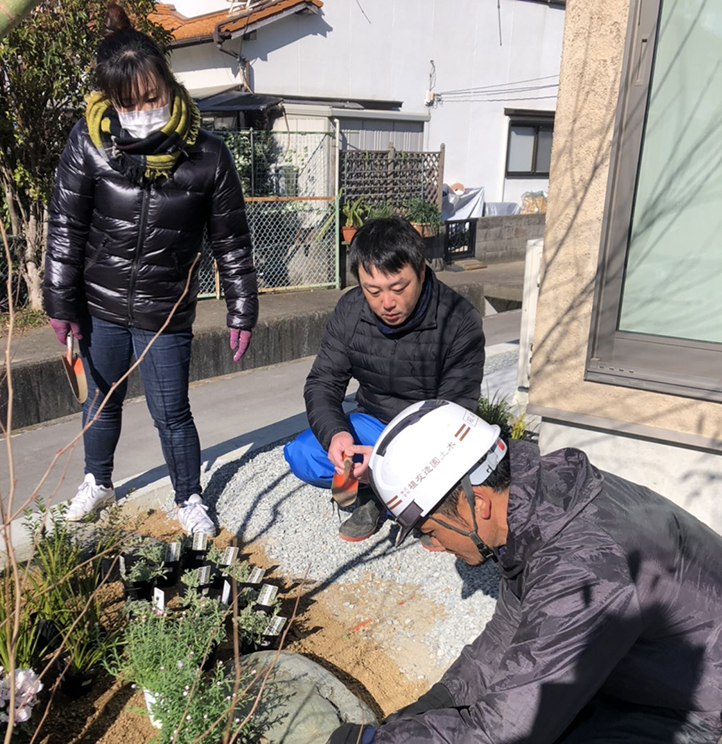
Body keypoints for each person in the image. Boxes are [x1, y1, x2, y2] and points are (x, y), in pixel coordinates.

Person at [327, 399, 722, 744]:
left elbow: (504, 732)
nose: (433, 547)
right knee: (527, 736)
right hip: (658, 667)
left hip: (700, 708)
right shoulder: (540, 507)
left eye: (428, 532)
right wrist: (424, 710)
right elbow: (503, 641)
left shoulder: (581, 565)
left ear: (478, 501)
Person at [44, 3, 258, 534]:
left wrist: (242, 308)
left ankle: (189, 497)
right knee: (100, 403)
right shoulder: (88, 141)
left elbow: (229, 239)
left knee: (171, 412)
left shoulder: (207, 155)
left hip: (164, 311)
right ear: (110, 99)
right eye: (127, 102)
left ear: (167, 83)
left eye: (151, 97)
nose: (141, 110)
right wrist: (59, 302)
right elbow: (66, 227)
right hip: (101, 307)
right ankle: (99, 481)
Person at [283, 217, 484, 542]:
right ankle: (377, 494)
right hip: (374, 422)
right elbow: (323, 382)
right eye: (373, 291)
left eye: (398, 288)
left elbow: (456, 413)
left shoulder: (458, 319)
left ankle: (412, 502)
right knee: (303, 454)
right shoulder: (350, 311)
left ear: (420, 271)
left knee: (463, 478)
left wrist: (385, 463)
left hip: (430, 436)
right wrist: (337, 436)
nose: (386, 303)